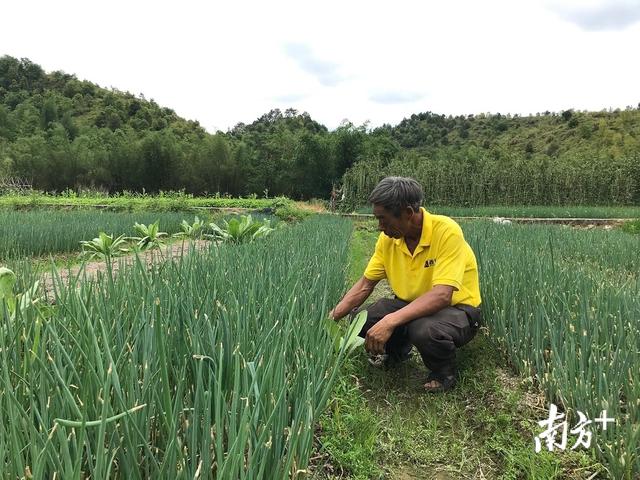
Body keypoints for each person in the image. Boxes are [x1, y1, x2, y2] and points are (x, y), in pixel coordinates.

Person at [329, 176, 482, 393]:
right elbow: (365, 284)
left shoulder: (446, 231)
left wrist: (390, 321)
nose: (379, 227)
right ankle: (398, 351)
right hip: (410, 304)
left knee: (423, 329)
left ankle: (443, 372)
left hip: (456, 310)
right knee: (362, 320)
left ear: (408, 213)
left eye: (384, 219)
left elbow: (442, 295)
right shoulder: (389, 239)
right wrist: (330, 318)